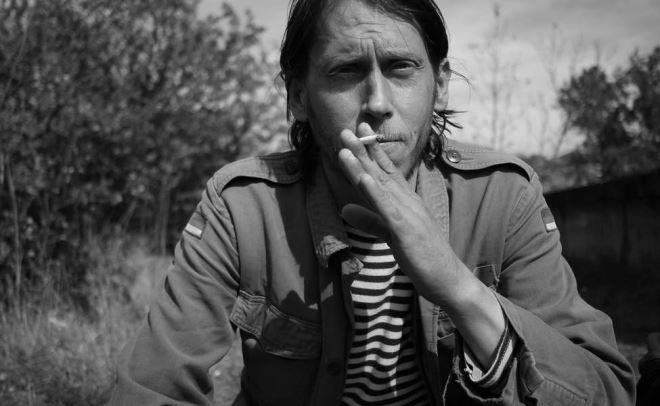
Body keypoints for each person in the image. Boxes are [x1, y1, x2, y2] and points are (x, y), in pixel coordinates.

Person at [110, 0, 635, 404]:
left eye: (401, 67)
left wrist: (456, 285)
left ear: (440, 86)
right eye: (346, 70)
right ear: (298, 95)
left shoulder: (504, 196)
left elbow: (607, 390)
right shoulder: (241, 207)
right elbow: (152, 387)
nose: (378, 103)